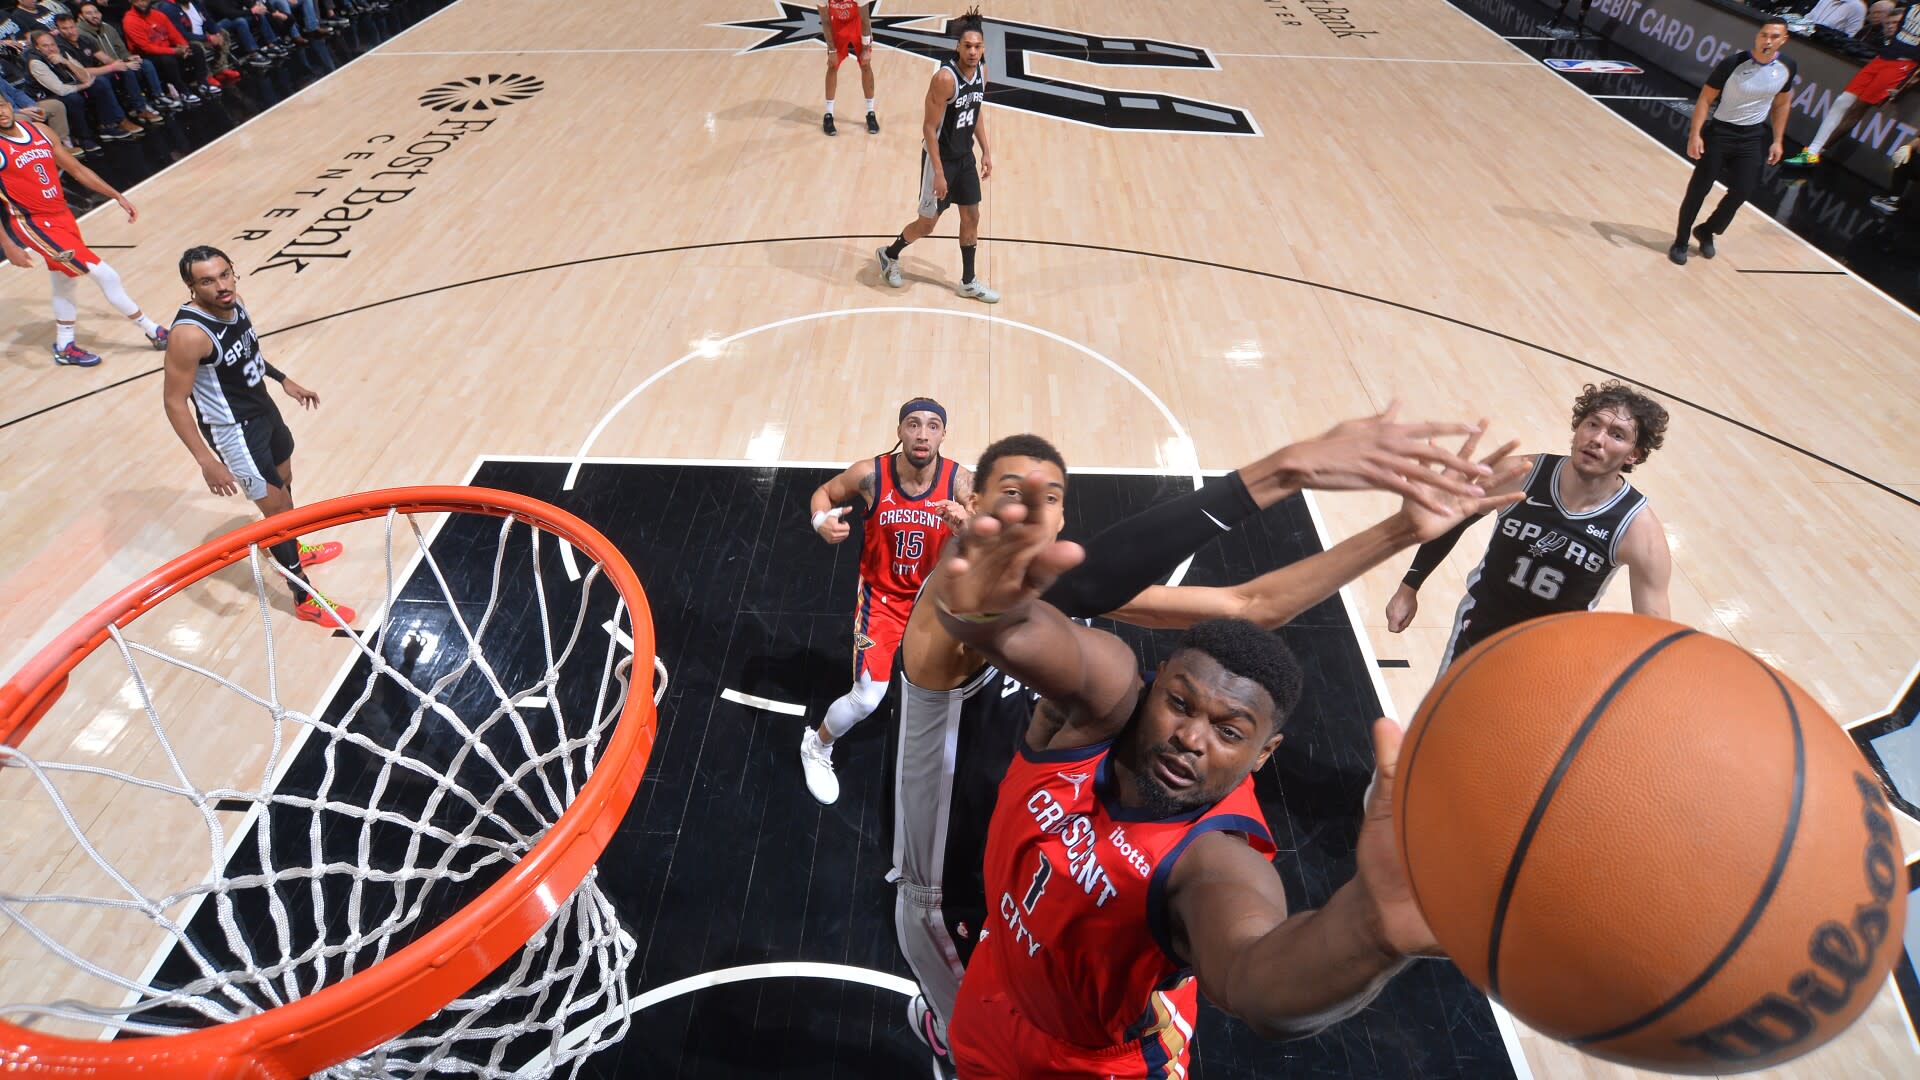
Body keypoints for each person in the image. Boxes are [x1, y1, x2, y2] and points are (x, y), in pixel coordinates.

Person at [882, 412, 1520, 1067]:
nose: (1031, 512)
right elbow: (1002, 616)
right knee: (975, 1020)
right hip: (959, 885)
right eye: (1012, 493)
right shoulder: (953, 610)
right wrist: (1284, 468)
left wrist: (1402, 531)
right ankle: (943, 1026)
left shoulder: (1210, 855)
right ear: (971, 504)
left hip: (1057, 951)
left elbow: (1249, 609)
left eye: (1049, 500)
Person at [1386, 381, 1673, 672]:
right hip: (1478, 632)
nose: (1597, 439)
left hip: (1550, 660)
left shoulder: (1638, 528)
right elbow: (1453, 522)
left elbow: (1655, 630)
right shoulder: (1521, 474)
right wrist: (1410, 586)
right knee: (1444, 717)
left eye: (1617, 435)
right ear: (1577, 428)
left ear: (1633, 454)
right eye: (1592, 424)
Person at [160, 245, 356, 627]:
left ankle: (291, 548)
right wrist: (206, 461)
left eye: (224, 275)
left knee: (285, 481)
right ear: (191, 286)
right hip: (234, 431)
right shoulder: (188, 336)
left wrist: (283, 379)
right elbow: (174, 402)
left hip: (263, 410)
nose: (220, 286)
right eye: (207, 281)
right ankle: (304, 597)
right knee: (277, 511)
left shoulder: (236, 302)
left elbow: (247, 352)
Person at [799, 397, 973, 804]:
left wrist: (970, 527)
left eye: (932, 426)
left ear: (943, 435)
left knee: (953, 685)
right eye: (913, 424)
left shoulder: (961, 483)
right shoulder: (870, 475)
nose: (922, 434)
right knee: (867, 698)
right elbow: (823, 493)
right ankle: (817, 744)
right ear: (900, 431)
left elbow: (995, 530)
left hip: (934, 601)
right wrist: (820, 521)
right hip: (881, 602)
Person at [0, 95, 170, 366]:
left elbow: (77, 169)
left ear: (9, 105)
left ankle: (65, 345)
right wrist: (8, 245)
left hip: (62, 216)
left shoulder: (39, 131)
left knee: (64, 282)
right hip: (33, 223)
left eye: (1, 105)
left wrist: (117, 195)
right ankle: (154, 331)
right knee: (105, 274)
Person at [873, 5, 996, 303]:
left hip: (965, 157)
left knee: (972, 216)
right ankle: (889, 255)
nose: (972, 51)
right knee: (927, 224)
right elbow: (929, 128)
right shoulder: (944, 79)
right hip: (939, 160)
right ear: (957, 46)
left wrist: (986, 151)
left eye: (977, 46)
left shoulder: (982, 71)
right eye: (967, 46)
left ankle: (968, 281)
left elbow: (975, 112)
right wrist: (939, 173)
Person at [1670, 18, 1794, 265]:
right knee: (1699, 189)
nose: (1767, 40)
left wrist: (1778, 140)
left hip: (1752, 135)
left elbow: (1781, 103)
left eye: (1773, 36)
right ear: (1758, 36)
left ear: (1783, 40)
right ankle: (1681, 240)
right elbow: (1705, 99)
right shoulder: (1733, 64)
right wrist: (1695, 134)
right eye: (1763, 35)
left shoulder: (1787, 67)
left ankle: (1707, 231)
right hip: (1721, 133)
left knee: (1743, 191)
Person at [1784, 3, 1919, 167]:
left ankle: (1814, 152)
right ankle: (1813, 151)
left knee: (1857, 108)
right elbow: (1899, 30)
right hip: (1883, 57)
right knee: (1842, 101)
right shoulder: (1912, 5)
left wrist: (1911, 77)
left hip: (1903, 65)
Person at [819, 0, 875, 135]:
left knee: (865, 65)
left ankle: (870, 112)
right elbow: (825, 21)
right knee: (832, 66)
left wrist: (866, 48)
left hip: (858, 25)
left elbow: (865, 20)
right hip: (837, 26)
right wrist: (832, 51)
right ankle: (828, 115)